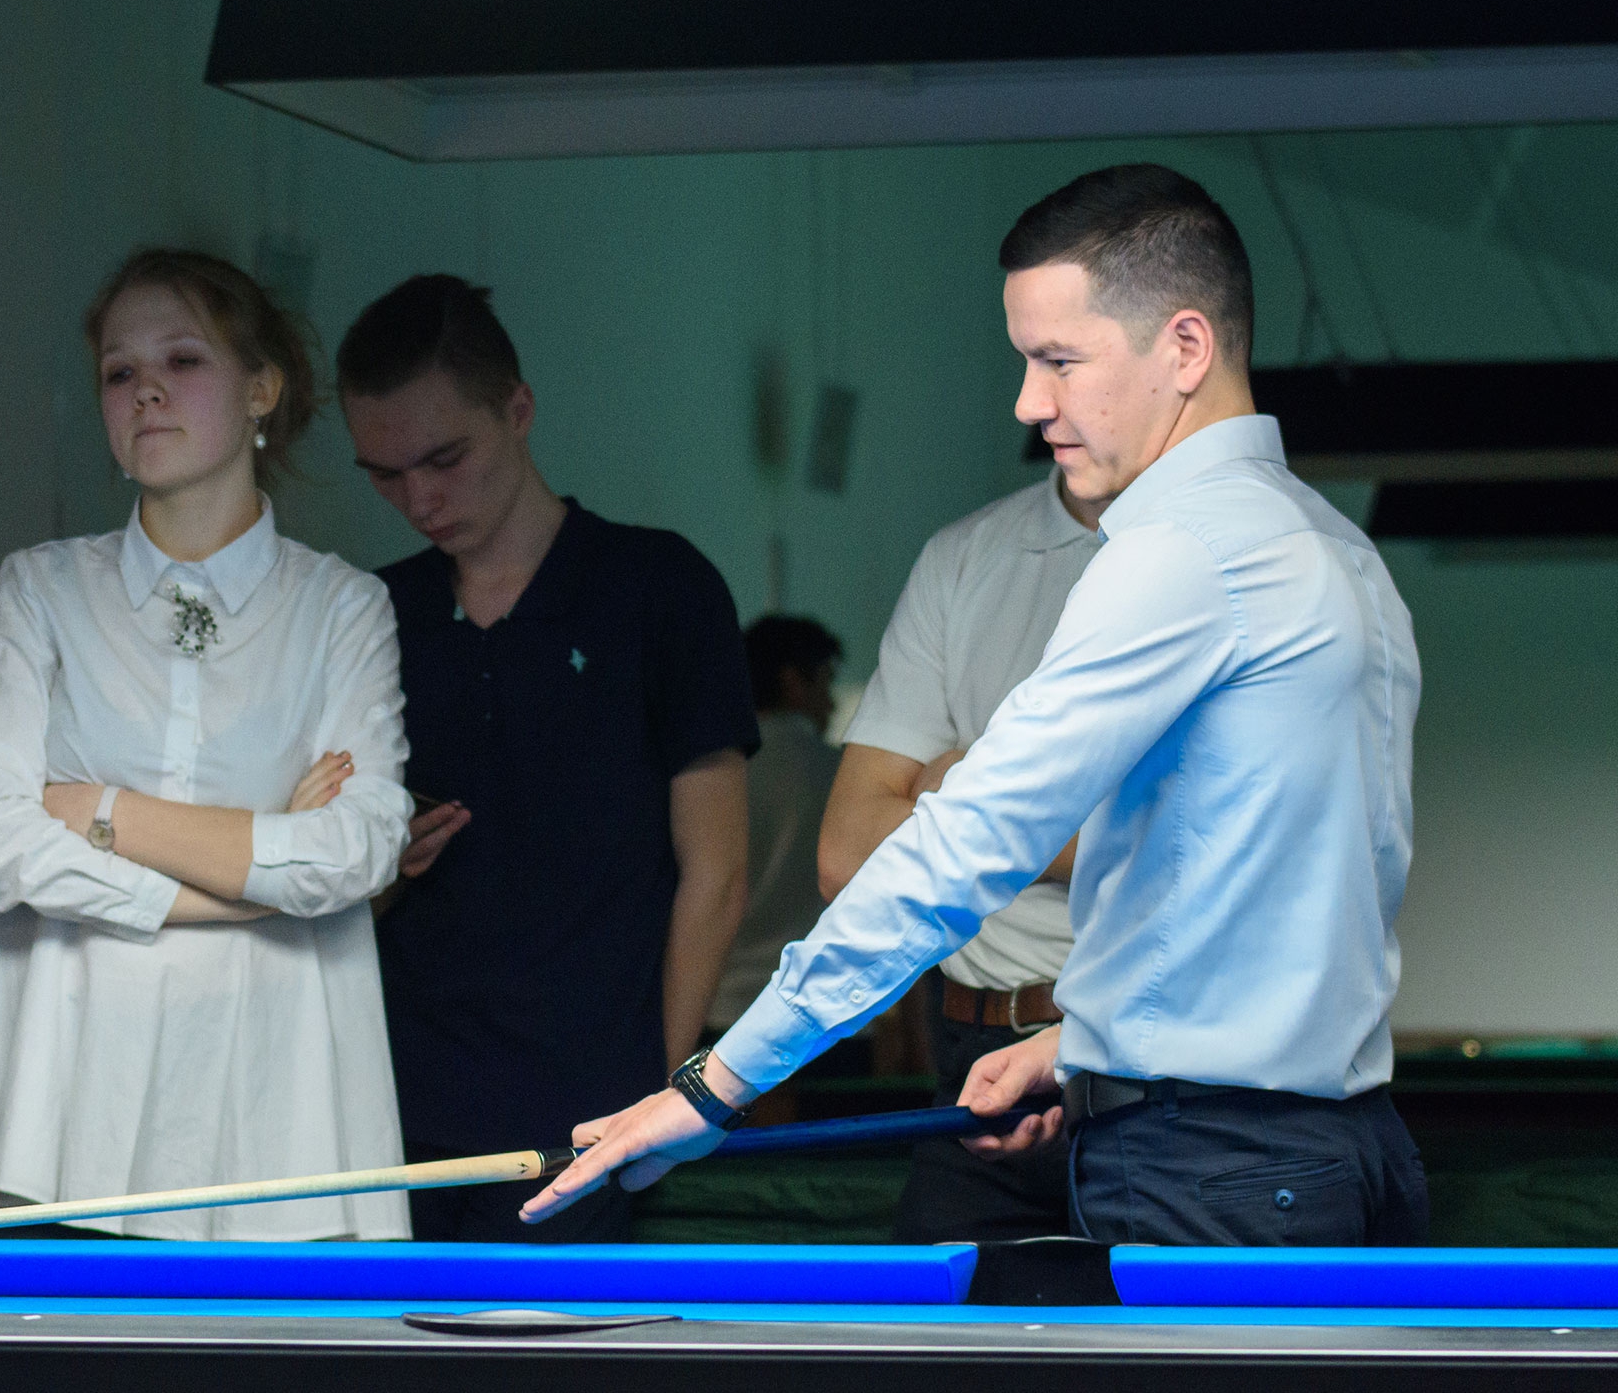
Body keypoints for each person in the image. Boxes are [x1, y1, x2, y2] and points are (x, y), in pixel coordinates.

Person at [525, 164, 1428, 1248]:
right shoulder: (1336, 546)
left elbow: (966, 845)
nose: (1029, 403)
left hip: (1213, 1165)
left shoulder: (1179, 553)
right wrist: (1078, 1047)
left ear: (1185, 348)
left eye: (1059, 360)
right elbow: (1276, 890)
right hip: (1335, 1145)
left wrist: (715, 1085)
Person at [0, 249, 413, 1240]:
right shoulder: (40, 589)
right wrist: (250, 886)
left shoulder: (343, 607)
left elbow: (358, 849)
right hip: (66, 1090)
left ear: (262, 389)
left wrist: (100, 813)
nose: (145, 390)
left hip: (286, 1096)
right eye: (120, 371)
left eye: (183, 359)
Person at [339, 273, 758, 1242]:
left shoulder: (658, 588)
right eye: (384, 474)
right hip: (393, 1102)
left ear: (518, 410)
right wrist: (376, 861)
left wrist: (664, 1087)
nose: (420, 498)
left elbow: (718, 870)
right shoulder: (371, 611)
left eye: (445, 458)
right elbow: (324, 881)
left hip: (592, 1106)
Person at [816, 447, 1103, 1241]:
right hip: (972, 1054)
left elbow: (1198, 850)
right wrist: (1071, 817)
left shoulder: (1214, 552)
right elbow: (845, 852)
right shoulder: (965, 556)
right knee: (921, 1319)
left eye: (1062, 374)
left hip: (1145, 1046)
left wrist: (953, 789)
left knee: (1164, 1326)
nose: (1033, 403)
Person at [712, 617, 842, 1033]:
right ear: (793, 682)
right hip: (829, 1014)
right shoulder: (840, 775)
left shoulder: (711, 777)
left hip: (724, 1007)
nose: (832, 703)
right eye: (826, 681)